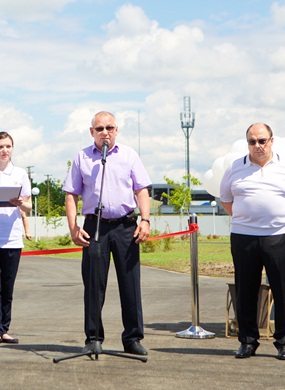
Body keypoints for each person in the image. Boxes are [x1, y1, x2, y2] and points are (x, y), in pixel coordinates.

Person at [63, 111, 151, 355]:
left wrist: (145, 220)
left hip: (126, 227)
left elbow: (142, 189)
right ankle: (93, 338)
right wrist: (73, 227)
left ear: (116, 130)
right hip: (95, 227)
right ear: (91, 132)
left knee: (130, 285)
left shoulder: (129, 155)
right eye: (99, 128)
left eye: (109, 127)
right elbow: (71, 194)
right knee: (93, 285)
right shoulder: (82, 157)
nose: (105, 132)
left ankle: (132, 338)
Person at [220, 122, 285, 360]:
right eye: (252, 141)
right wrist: (246, 218)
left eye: (262, 141)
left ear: (271, 140)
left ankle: (283, 342)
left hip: (279, 236)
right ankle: (247, 342)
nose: (257, 146)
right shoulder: (235, 167)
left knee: (282, 289)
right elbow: (226, 199)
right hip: (244, 237)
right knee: (245, 290)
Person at [0, 131, 32, 344]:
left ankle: (3, 330)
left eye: (8, 146)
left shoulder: (19, 174)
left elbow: (29, 207)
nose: (4, 150)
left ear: (13, 149)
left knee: (7, 287)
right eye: (1, 146)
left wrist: (19, 202)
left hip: (11, 239)